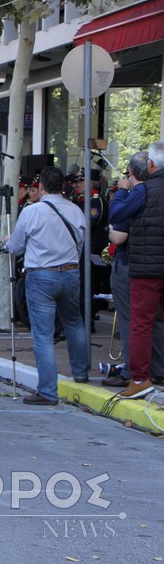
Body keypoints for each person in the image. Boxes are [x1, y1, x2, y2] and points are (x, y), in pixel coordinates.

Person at [5, 166, 90, 405]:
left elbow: (15, 247)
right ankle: (81, 372)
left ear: (41, 187)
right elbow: (81, 244)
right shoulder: (75, 210)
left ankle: (47, 390)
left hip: (41, 275)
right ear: (62, 186)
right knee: (74, 322)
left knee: (42, 334)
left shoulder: (33, 212)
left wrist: (8, 242)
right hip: (71, 272)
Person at [109, 143, 164, 398]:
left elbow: (118, 212)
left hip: (146, 267)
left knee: (141, 323)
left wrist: (122, 191)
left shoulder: (144, 190)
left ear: (151, 166)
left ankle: (140, 378)